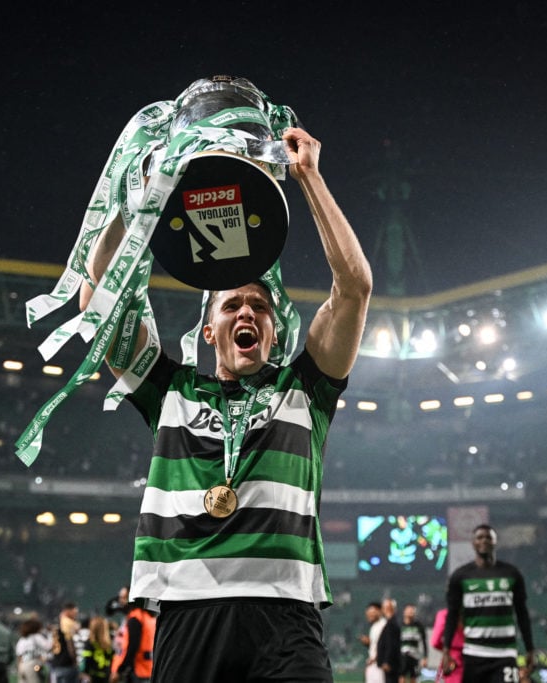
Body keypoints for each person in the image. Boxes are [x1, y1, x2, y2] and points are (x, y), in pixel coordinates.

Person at [80, 89, 372, 682]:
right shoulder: (171, 393)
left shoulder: (306, 390)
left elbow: (354, 286)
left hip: (287, 615)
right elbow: (98, 300)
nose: (246, 313)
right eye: (232, 305)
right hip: (189, 613)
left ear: (275, 326)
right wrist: (139, 201)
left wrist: (309, 177)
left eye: (260, 307)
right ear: (209, 332)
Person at [442, 525, 535, 683]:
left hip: (505, 654)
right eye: (480, 537)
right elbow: (452, 615)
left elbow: (522, 613)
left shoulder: (512, 574)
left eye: (488, 537)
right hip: (474, 653)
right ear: (473, 543)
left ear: (495, 542)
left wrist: (530, 649)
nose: (484, 540)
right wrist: (446, 651)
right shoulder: (460, 576)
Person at [108, 603, 154, 683]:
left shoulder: (136, 618)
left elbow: (132, 647)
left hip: (139, 670)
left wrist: (120, 670)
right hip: (148, 669)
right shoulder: (148, 617)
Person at [430, 608, 463, 683]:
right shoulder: (473, 613)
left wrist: (446, 649)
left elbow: (435, 641)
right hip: (472, 660)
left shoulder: (443, 614)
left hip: (451, 661)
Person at [49, 603, 79, 683]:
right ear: (67, 611)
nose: (76, 614)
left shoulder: (57, 623)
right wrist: (75, 661)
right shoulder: (67, 623)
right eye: (74, 612)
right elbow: (70, 643)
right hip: (66, 663)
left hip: (56, 662)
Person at [14, 618, 50, 683]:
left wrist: (19, 668)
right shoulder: (36, 636)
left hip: (22, 665)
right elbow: (48, 647)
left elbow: (19, 656)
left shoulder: (21, 640)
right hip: (33, 664)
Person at [398, 604, 428, 683]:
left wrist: (424, 657)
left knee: (414, 677)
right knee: (401, 676)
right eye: (409, 610)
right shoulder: (400, 626)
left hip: (415, 656)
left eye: (412, 610)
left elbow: (424, 642)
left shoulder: (419, 626)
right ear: (404, 612)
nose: (410, 612)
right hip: (402, 655)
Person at [79, 616, 113, 683]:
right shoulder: (109, 644)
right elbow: (112, 660)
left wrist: (83, 672)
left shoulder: (90, 643)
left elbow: (86, 660)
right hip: (106, 676)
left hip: (93, 677)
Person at [376, 598, 401, 683]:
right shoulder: (391, 623)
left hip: (391, 664)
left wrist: (387, 661)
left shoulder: (391, 624)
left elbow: (391, 644)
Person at [360, 602, 386, 683]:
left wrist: (374, 658)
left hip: (379, 664)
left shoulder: (383, 625)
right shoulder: (374, 626)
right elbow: (376, 645)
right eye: (368, 613)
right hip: (373, 663)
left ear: (379, 611)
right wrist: (368, 643)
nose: (369, 615)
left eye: (372, 613)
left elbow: (385, 645)